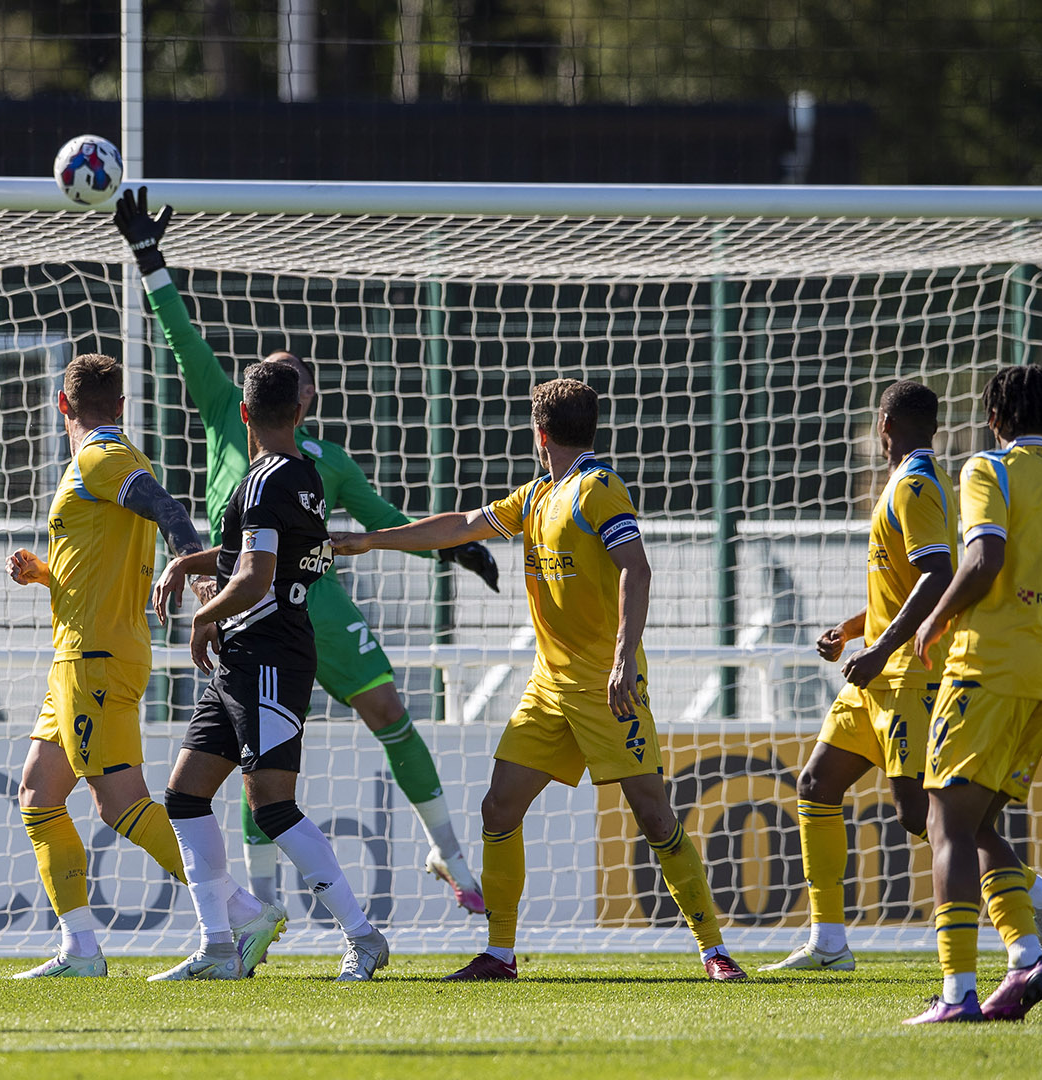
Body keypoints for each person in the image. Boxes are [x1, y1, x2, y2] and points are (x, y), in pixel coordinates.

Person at [113, 187, 497, 913]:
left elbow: (384, 520)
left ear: (305, 399)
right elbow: (181, 335)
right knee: (256, 766)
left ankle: (448, 853)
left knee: (387, 711)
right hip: (248, 607)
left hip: (315, 602)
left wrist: (456, 551)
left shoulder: (330, 459)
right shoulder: (229, 414)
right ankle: (264, 907)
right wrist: (148, 257)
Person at [332, 378, 745, 983]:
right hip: (548, 689)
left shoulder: (598, 491)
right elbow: (461, 525)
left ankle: (713, 949)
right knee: (499, 807)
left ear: (540, 433)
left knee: (655, 818)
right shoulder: (539, 495)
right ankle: (500, 954)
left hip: (608, 685)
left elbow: (637, 567)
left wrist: (624, 658)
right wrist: (371, 539)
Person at [5, 352, 285, 978]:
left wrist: (201, 584)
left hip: (96, 657)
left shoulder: (101, 456)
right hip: (78, 655)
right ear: (121, 403)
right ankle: (79, 947)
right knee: (38, 795)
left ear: (61, 405)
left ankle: (242, 911)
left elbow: (169, 511)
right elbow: (104, 561)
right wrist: (45, 573)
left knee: (120, 804)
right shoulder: (110, 458)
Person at [149, 359, 391, 981]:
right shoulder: (305, 474)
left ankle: (362, 937)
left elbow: (255, 576)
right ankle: (220, 947)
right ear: (300, 412)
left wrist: (203, 619)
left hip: (268, 656)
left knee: (273, 807)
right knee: (184, 796)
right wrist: (190, 563)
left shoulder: (263, 480)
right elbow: (253, 554)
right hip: (244, 656)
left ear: (245, 415)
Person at [905, 364, 1042, 1024]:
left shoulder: (985, 471)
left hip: (985, 668)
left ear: (993, 418)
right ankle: (1027, 954)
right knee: (978, 825)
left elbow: (984, 560)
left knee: (944, 822)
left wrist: (937, 618)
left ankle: (956, 993)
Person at [765, 381, 950, 972]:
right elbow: (897, 590)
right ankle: (829, 941)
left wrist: (877, 650)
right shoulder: (901, 485)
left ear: (884, 423)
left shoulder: (917, 484)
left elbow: (937, 576)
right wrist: (850, 632)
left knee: (920, 815)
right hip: (876, 675)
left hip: (909, 676)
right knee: (817, 785)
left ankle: (1037, 893)